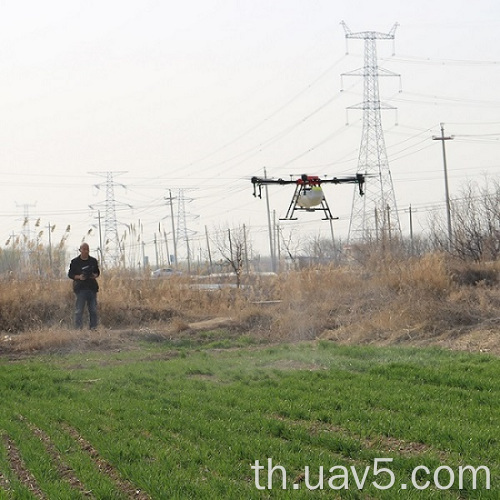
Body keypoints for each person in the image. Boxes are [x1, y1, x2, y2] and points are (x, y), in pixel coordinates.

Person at [68, 243, 100, 329]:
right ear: (80, 250)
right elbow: (70, 274)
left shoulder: (93, 261)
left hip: (92, 288)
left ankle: (93, 328)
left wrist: (94, 275)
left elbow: (97, 272)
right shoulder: (75, 262)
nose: (86, 251)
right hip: (80, 288)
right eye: (84, 249)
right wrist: (79, 277)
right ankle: (78, 328)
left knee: (93, 310)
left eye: (87, 249)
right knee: (79, 310)